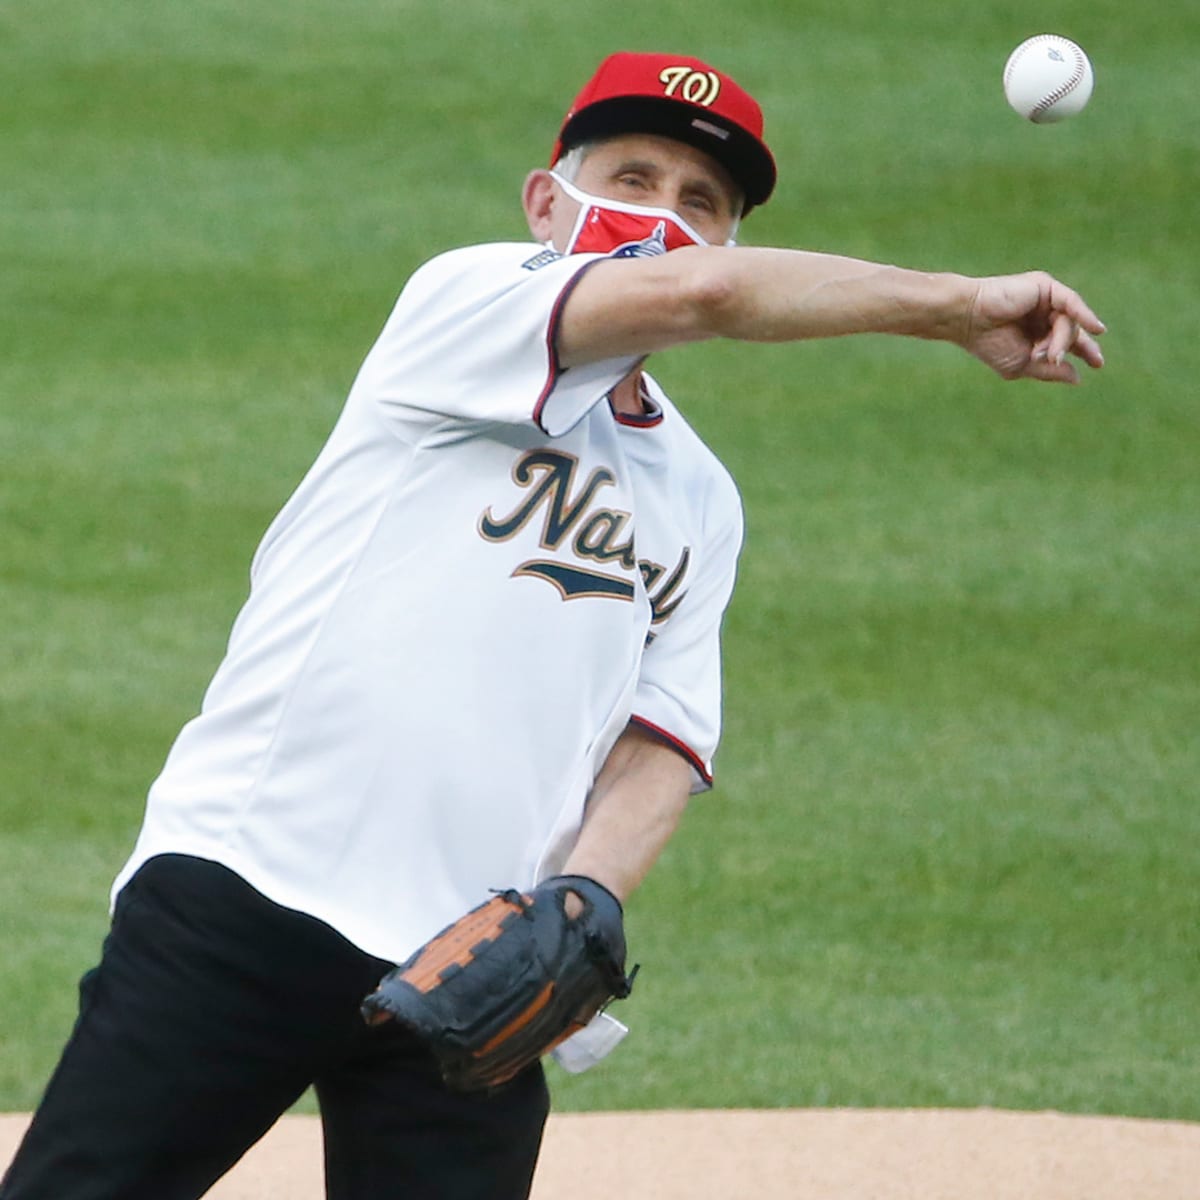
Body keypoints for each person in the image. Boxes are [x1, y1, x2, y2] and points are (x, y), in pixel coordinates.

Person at [0, 49, 1104, 1200]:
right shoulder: (466, 302)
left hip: (473, 970)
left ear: (734, 236)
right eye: (632, 178)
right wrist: (954, 304)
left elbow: (661, 746)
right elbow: (701, 300)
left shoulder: (699, 496)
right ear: (548, 199)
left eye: (701, 203)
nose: (664, 221)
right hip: (248, 897)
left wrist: (587, 900)